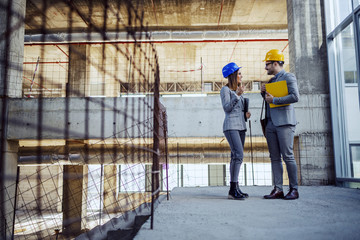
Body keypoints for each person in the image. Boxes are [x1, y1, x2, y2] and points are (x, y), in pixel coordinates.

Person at [261, 49, 300, 200]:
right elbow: (269, 100)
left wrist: (274, 100)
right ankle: (278, 189)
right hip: (271, 123)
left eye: (268, 64)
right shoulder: (271, 81)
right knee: (274, 157)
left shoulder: (289, 77)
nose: (266, 68)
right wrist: (263, 93)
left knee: (288, 156)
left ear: (276, 63)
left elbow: (295, 96)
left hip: (284, 123)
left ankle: (294, 189)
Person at [220, 62, 251, 200]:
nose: (241, 75)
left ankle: (235, 188)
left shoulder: (238, 89)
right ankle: (233, 189)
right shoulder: (225, 90)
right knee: (238, 155)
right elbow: (227, 108)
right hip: (231, 126)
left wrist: (246, 114)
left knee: (236, 156)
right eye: (239, 73)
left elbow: (238, 109)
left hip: (241, 126)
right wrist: (237, 95)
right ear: (232, 75)